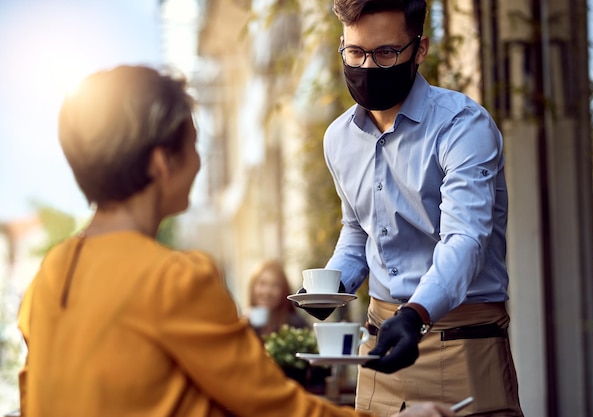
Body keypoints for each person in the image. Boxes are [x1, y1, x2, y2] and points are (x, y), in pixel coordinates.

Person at [16, 64, 455, 417]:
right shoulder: (175, 280)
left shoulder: (51, 272)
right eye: (191, 143)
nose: (199, 160)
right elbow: (271, 406)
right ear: (160, 163)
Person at [307, 0, 525, 416]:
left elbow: (466, 240)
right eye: (355, 53)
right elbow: (358, 231)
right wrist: (331, 287)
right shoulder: (338, 138)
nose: (368, 66)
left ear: (419, 49)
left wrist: (416, 314)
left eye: (386, 53)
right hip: (378, 348)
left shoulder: (463, 125)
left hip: (461, 342)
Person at [246, 260, 309, 337]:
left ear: (284, 291)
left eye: (275, 285)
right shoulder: (244, 325)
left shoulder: (296, 327)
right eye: (262, 284)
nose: (267, 291)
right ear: (252, 288)